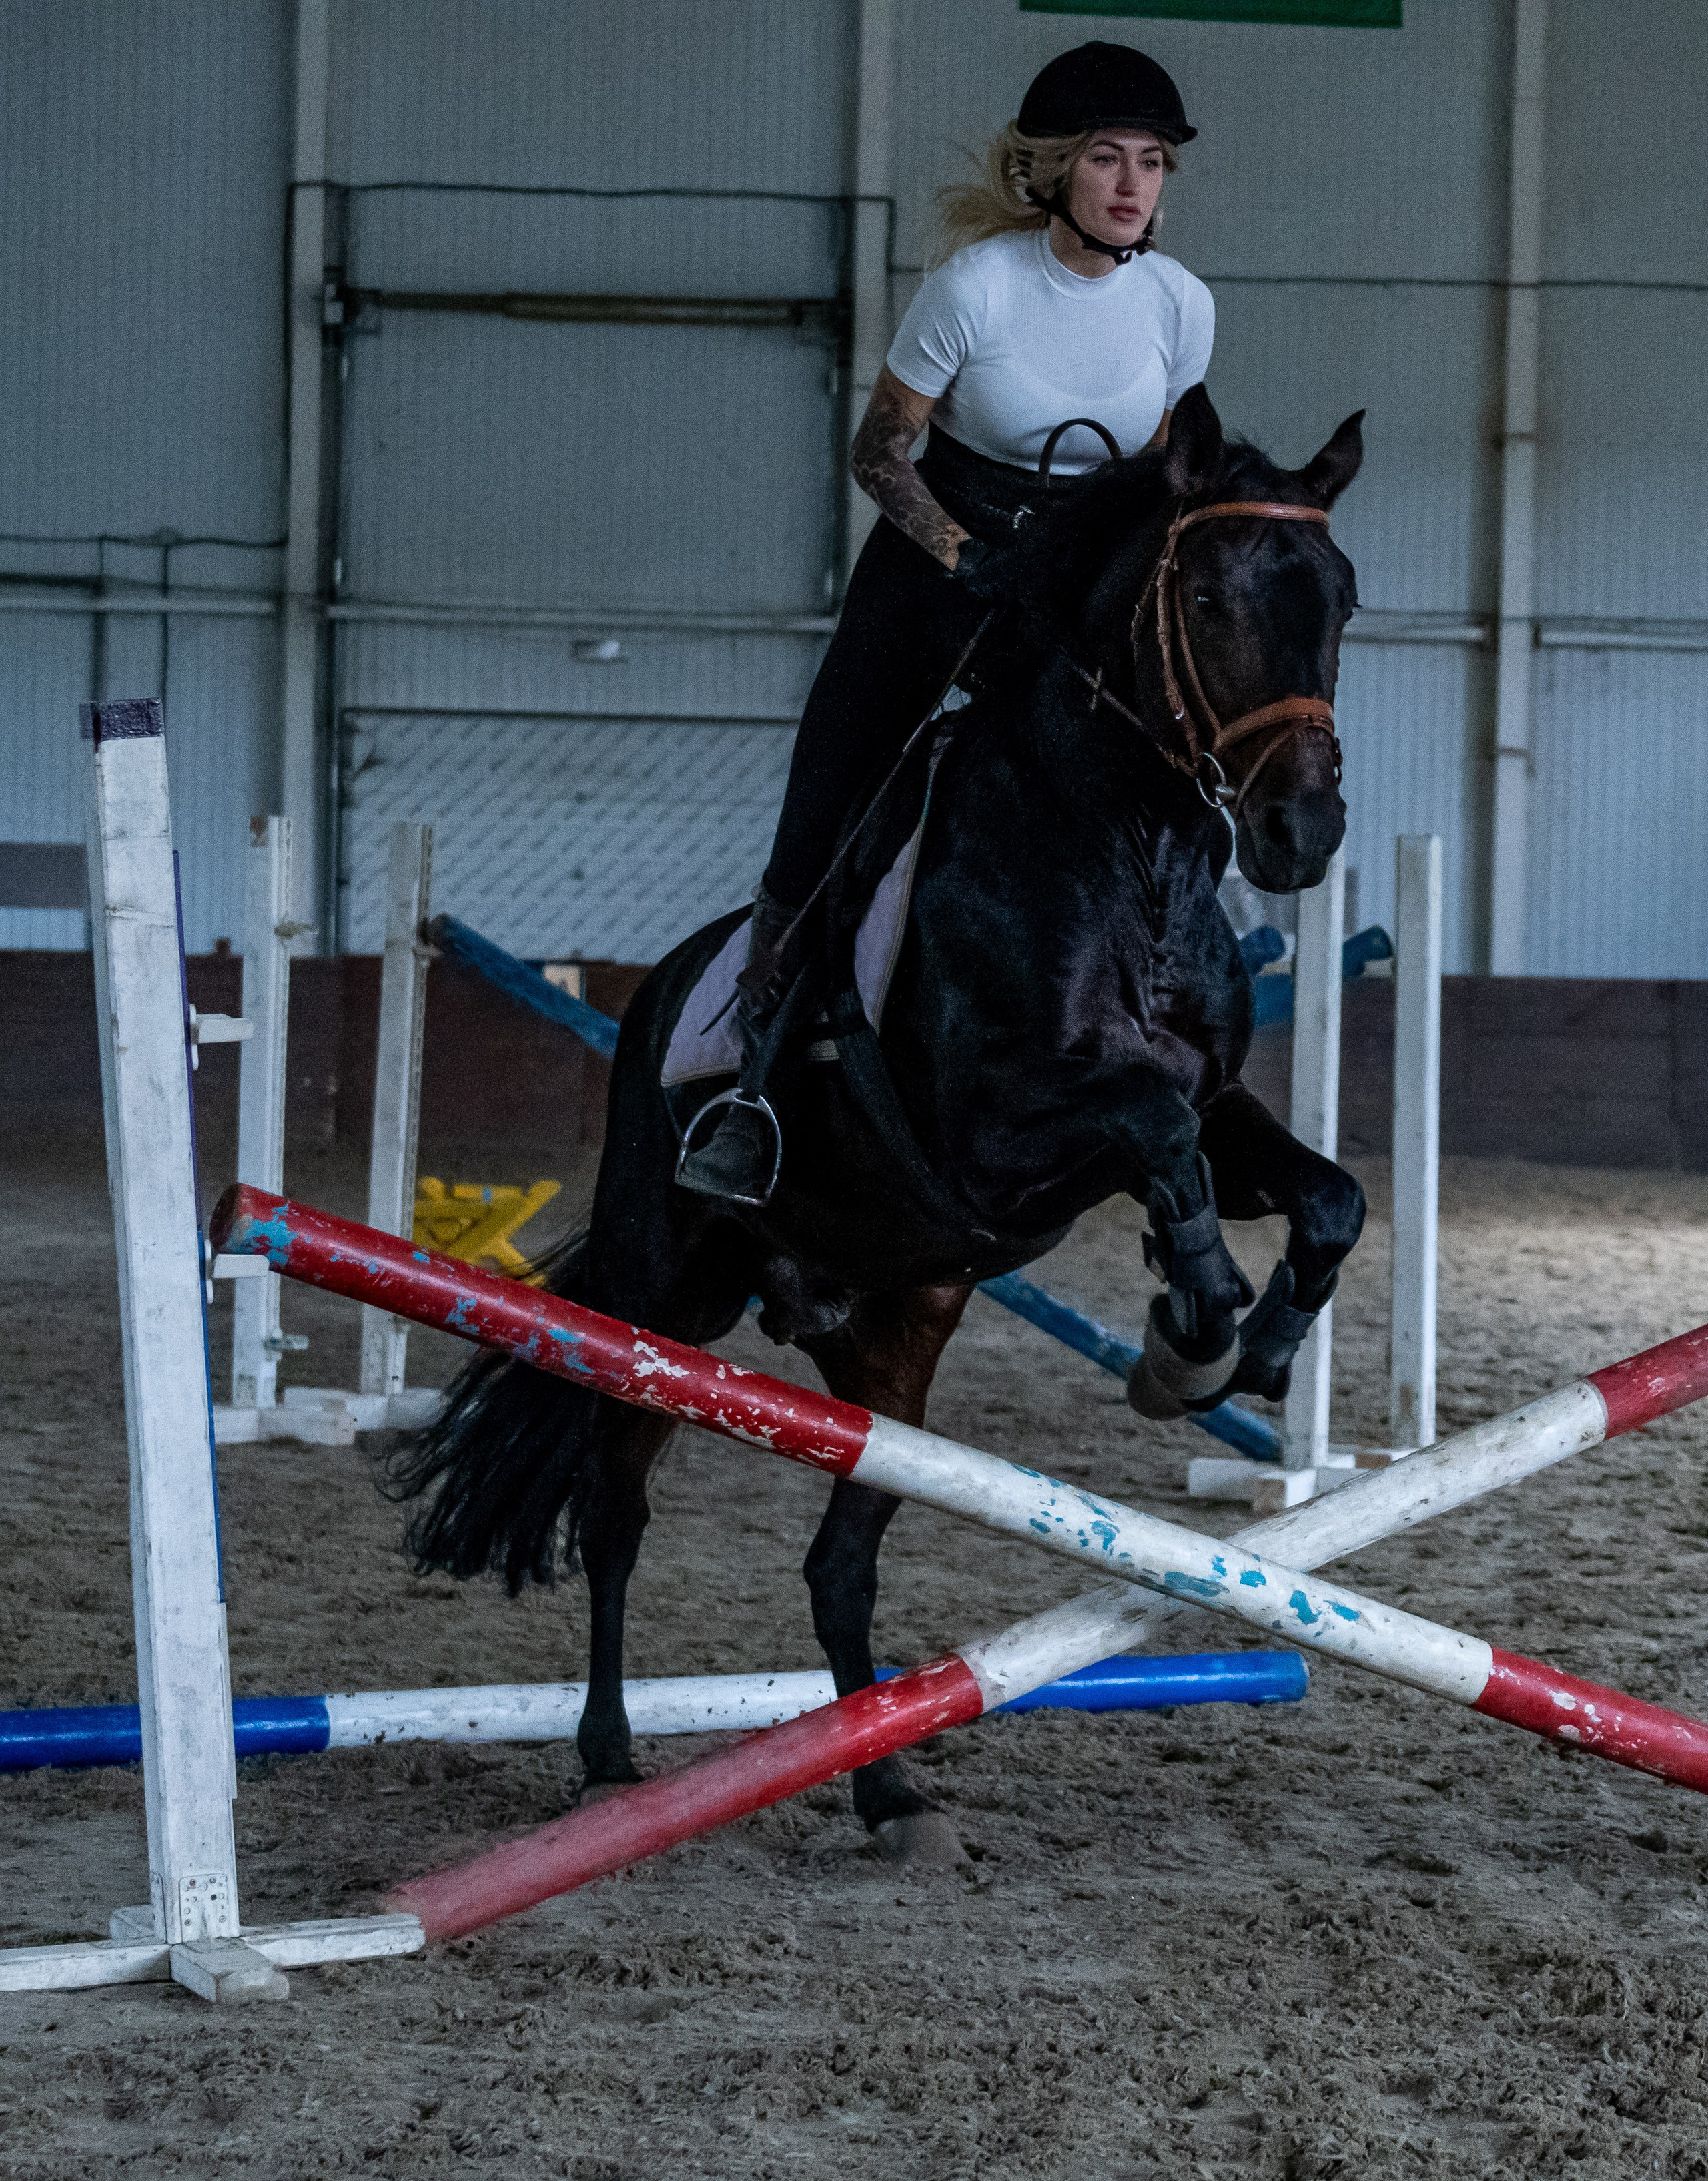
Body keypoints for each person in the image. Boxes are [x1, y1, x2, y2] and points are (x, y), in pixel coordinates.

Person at [679, 41, 1214, 1203]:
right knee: (840, 780)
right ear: (1058, 171)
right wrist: (967, 554)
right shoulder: (978, 287)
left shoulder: (1180, 305)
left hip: (1080, 590)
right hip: (940, 570)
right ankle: (750, 1076)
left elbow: (1173, 476)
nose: (1132, 183)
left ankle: (1182, 1010)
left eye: (1153, 163)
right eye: (1108, 159)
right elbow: (880, 450)